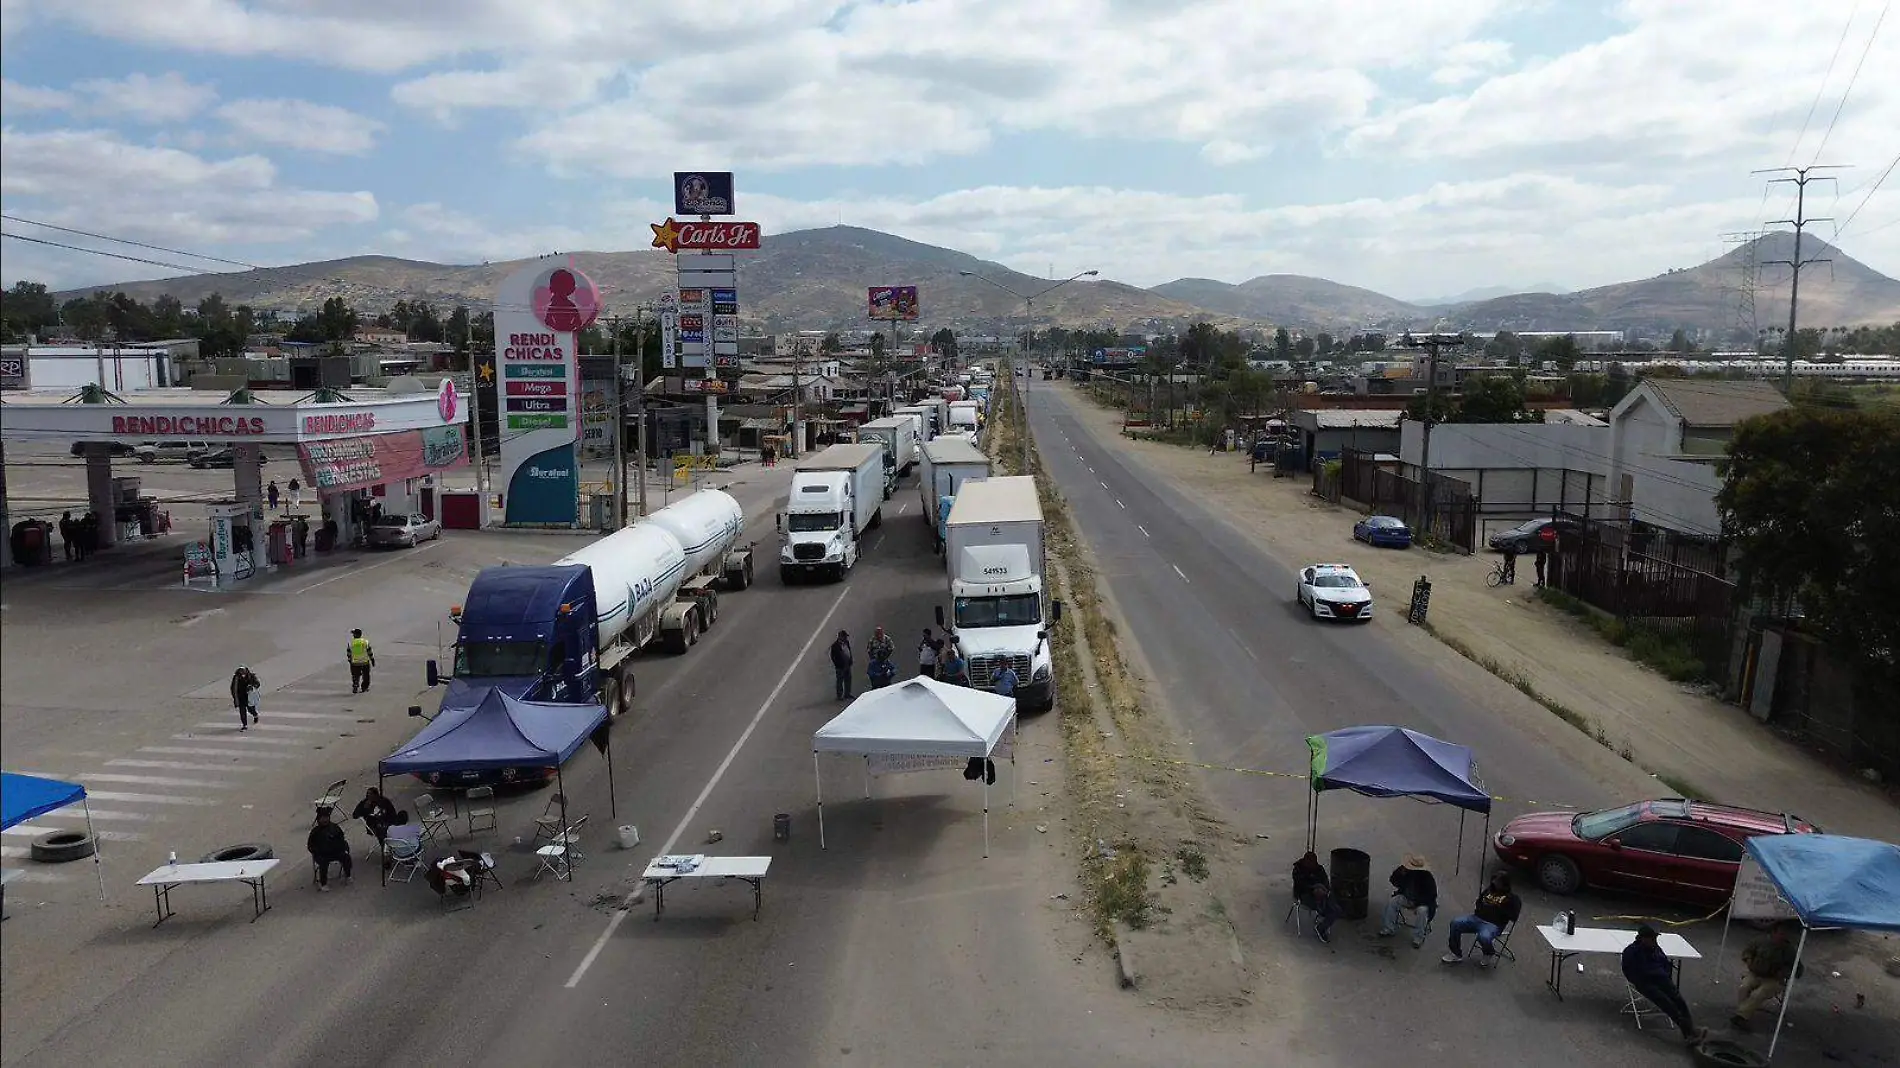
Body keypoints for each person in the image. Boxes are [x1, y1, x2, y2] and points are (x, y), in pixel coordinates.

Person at [1622, 924, 1706, 1045]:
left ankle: (1690, 1029)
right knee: (1667, 1003)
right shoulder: (1631, 952)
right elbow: (1628, 971)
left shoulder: (1656, 948)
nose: (1654, 940)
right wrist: (1641, 981)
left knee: (1679, 1000)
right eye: (1652, 938)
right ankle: (1689, 1032)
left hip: (1661, 978)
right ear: (1643, 939)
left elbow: (1665, 962)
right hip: (1645, 982)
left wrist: (1665, 976)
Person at [1442, 871, 1523, 966]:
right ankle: (1455, 953)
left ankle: (1488, 952)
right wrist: (1480, 908)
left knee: (1483, 936)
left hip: (1493, 924)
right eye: (1493, 881)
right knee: (1455, 923)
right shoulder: (1489, 890)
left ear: (1504, 883)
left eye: (1497, 882)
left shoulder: (1512, 898)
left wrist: (1499, 908)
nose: (1494, 883)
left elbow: (1514, 917)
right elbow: (1479, 901)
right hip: (1477, 918)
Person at [1733, 923, 1799, 1029]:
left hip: (1773, 979)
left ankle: (1741, 1016)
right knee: (1744, 988)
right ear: (1773, 933)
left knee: (1758, 994)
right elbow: (1748, 951)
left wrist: (1784, 972)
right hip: (1756, 973)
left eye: (1784, 934)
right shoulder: (1760, 942)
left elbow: (1797, 968)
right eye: (1780, 933)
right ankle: (1742, 1013)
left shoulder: (1789, 950)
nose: (1782, 936)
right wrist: (1749, 960)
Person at [1377, 853, 1438, 948]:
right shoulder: (1405, 872)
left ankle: (1418, 937)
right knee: (1393, 902)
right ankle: (1389, 928)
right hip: (1407, 897)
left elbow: (1432, 896)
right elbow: (1393, 880)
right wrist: (1400, 873)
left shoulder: (1427, 878)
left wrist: (1417, 903)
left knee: (1422, 911)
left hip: (1422, 902)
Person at [1292, 851, 1342, 943]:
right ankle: (1322, 921)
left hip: (1322, 893)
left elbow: (1326, 882)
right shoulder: (1298, 870)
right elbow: (1300, 885)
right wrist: (1313, 889)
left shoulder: (1319, 869)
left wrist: (1323, 889)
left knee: (1336, 910)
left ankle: (1322, 926)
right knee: (1325, 907)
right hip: (1304, 895)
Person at [307, 807, 353, 891]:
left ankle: (348, 875)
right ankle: (323, 883)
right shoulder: (315, 831)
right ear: (319, 819)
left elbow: (342, 840)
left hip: (335, 852)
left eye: (326, 817)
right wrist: (317, 852)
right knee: (323, 862)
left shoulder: (335, 827)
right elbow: (310, 846)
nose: (325, 820)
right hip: (322, 854)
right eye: (322, 818)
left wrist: (343, 848)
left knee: (346, 856)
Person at [230, 664, 261, 730]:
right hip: (240, 696)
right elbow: (233, 688)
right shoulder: (236, 678)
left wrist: (251, 686)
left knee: (250, 709)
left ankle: (255, 715)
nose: (242, 672)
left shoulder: (251, 676)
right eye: (240, 671)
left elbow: (257, 684)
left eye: (243, 671)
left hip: (249, 696)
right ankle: (245, 725)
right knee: (242, 711)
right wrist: (235, 698)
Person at [347, 628, 376, 693]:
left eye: (353, 633)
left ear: (355, 635)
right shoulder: (365, 642)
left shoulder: (351, 643)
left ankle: (355, 685)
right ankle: (364, 688)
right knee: (366, 676)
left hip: (355, 662)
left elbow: (349, 653)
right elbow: (369, 652)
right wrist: (372, 660)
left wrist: (350, 660)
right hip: (365, 662)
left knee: (355, 675)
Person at [829, 629, 854, 700]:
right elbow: (833, 657)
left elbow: (849, 651)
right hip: (840, 666)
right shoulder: (835, 646)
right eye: (844, 636)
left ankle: (847, 694)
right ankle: (839, 695)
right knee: (840, 681)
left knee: (848, 679)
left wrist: (850, 660)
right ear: (840, 637)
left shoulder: (846, 642)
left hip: (847, 664)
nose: (846, 638)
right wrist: (838, 665)